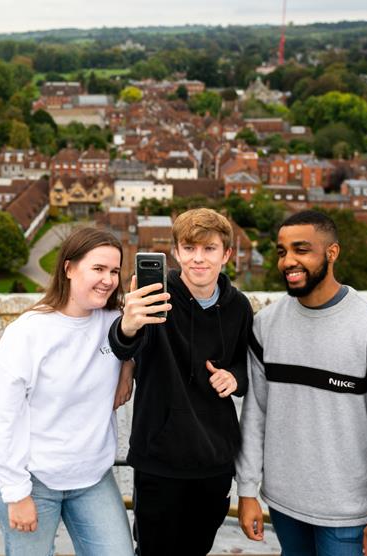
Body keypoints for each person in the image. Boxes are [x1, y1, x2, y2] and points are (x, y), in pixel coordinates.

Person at [236, 210, 367, 556]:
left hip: (348, 516)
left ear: (331, 253)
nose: (288, 261)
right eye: (281, 251)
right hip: (284, 505)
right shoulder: (266, 325)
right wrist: (247, 490)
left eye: (301, 250)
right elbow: (255, 415)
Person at [109, 208, 253, 555]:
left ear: (226, 255)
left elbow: (247, 367)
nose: (198, 259)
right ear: (176, 252)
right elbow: (122, 343)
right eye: (189, 249)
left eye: (209, 249)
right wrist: (128, 324)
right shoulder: (154, 295)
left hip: (213, 461)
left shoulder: (239, 308)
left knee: (196, 550)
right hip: (159, 460)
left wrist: (234, 377)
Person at [0, 227, 134, 556]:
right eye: (98, 269)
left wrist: (127, 366)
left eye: (113, 271)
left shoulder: (115, 322)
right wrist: (16, 492)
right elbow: (0, 418)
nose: (108, 280)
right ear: (68, 268)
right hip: (33, 480)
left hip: (92, 477)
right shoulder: (28, 332)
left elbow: (138, 341)